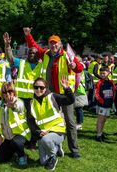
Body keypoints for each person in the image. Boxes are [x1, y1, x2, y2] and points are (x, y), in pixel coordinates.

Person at [24, 27, 83, 158]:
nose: (53, 45)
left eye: (55, 42)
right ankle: (54, 143)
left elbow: (80, 68)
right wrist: (28, 35)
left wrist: (74, 66)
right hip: (49, 95)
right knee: (47, 120)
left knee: (70, 122)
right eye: (51, 42)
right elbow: (33, 46)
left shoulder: (67, 55)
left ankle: (74, 150)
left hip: (63, 94)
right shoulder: (45, 54)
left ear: (60, 44)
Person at [4, 32, 42, 149]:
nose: (31, 54)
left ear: (38, 55)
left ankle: (33, 142)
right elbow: (10, 58)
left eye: (34, 53)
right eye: (30, 52)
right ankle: (21, 139)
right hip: (20, 98)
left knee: (33, 121)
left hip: (33, 99)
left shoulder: (41, 66)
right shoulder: (21, 63)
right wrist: (7, 46)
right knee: (19, 119)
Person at [29, 77, 75, 170]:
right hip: (43, 133)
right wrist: (38, 132)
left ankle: (53, 156)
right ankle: (56, 148)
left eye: (41, 87)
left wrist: (67, 89)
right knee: (43, 162)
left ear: (45, 88)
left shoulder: (52, 97)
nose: (38, 89)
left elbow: (70, 100)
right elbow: (31, 123)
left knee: (45, 140)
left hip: (58, 130)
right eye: (36, 87)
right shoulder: (31, 102)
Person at [0, 82, 31, 166]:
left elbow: (18, 108)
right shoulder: (1, 105)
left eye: (10, 91)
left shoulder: (19, 102)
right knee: (1, 159)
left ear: (14, 91)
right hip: (8, 137)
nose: (7, 94)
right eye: (4, 92)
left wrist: (13, 106)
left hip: (21, 134)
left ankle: (22, 156)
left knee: (15, 142)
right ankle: (15, 151)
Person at [94, 66, 116, 142]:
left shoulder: (111, 82)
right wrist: (102, 101)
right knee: (100, 119)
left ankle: (101, 133)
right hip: (102, 105)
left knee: (104, 120)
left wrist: (112, 101)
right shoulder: (99, 83)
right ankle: (98, 135)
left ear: (108, 73)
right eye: (101, 73)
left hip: (109, 104)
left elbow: (114, 92)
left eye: (104, 73)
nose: (102, 75)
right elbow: (96, 94)